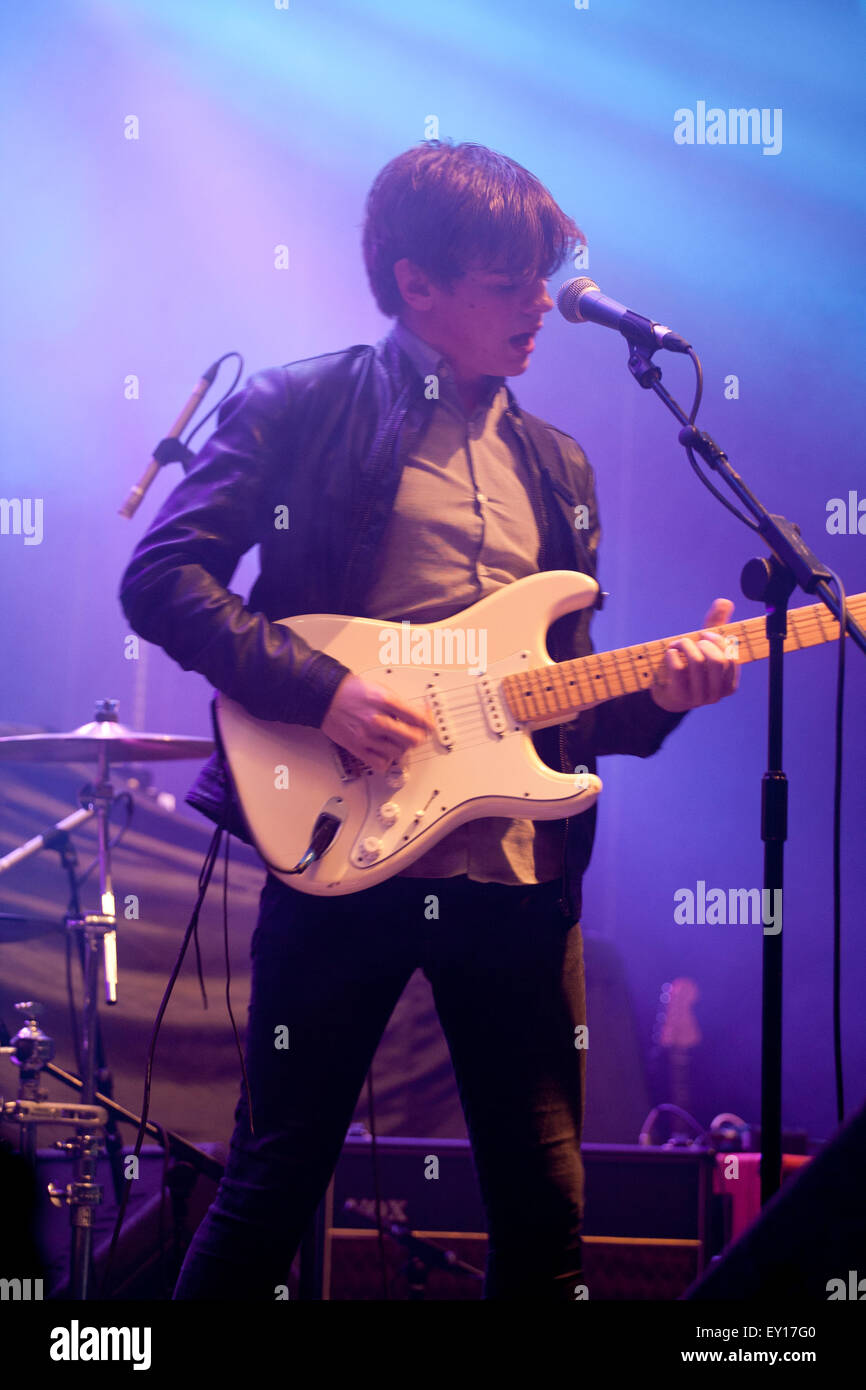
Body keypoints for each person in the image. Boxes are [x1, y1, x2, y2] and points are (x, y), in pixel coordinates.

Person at [119, 139, 739, 1300]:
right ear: (417, 284)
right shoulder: (299, 403)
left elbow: (557, 703)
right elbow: (160, 578)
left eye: (544, 279)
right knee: (274, 1178)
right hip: (337, 846)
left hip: (512, 871)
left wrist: (658, 700)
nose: (540, 309)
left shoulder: (557, 466)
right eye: (510, 282)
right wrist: (324, 691)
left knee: (544, 1207)